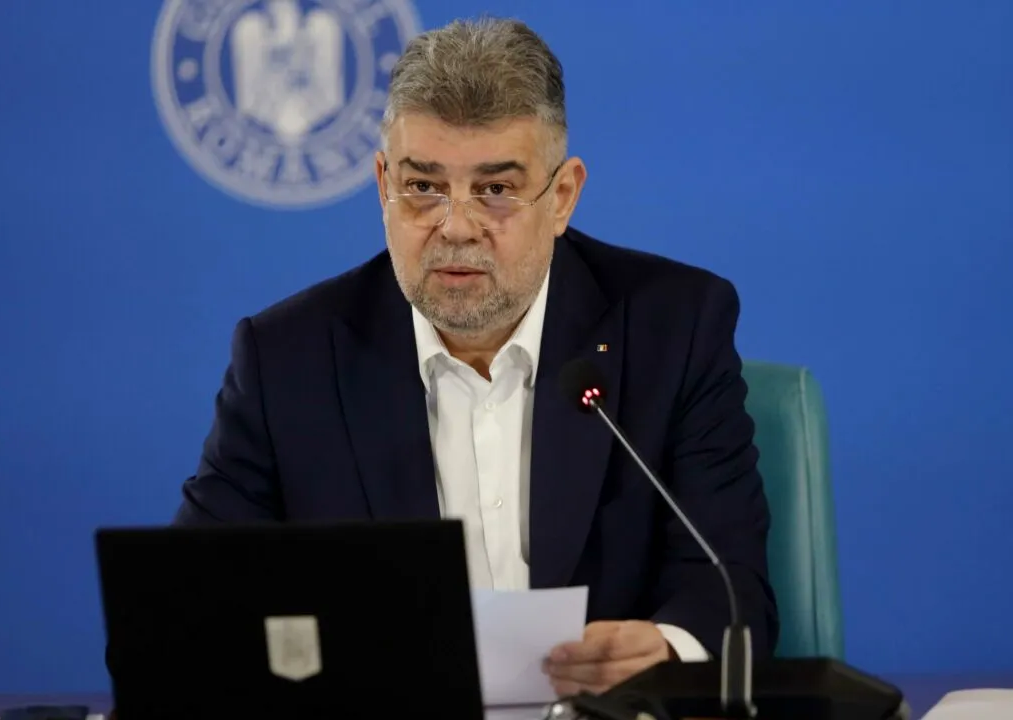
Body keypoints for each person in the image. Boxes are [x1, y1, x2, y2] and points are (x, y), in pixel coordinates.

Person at [172, 16, 779, 697]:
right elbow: (186, 613)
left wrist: (666, 652)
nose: (456, 227)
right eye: (423, 187)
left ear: (562, 197)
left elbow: (731, 591)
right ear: (382, 183)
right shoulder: (288, 360)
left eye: (495, 190)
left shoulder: (675, 327)